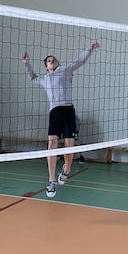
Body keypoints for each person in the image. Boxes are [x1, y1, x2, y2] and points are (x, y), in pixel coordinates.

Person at [22, 42, 99, 197]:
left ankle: (66, 170)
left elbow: (80, 61)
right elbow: (32, 78)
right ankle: (51, 181)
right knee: (52, 144)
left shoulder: (65, 70)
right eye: (49, 61)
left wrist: (90, 48)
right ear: (47, 67)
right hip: (55, 113)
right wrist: (27, 64)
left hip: (68, 111)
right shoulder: (44, 79)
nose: (52, 61)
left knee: (69, 145)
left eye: (53, 59)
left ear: (58, 63)